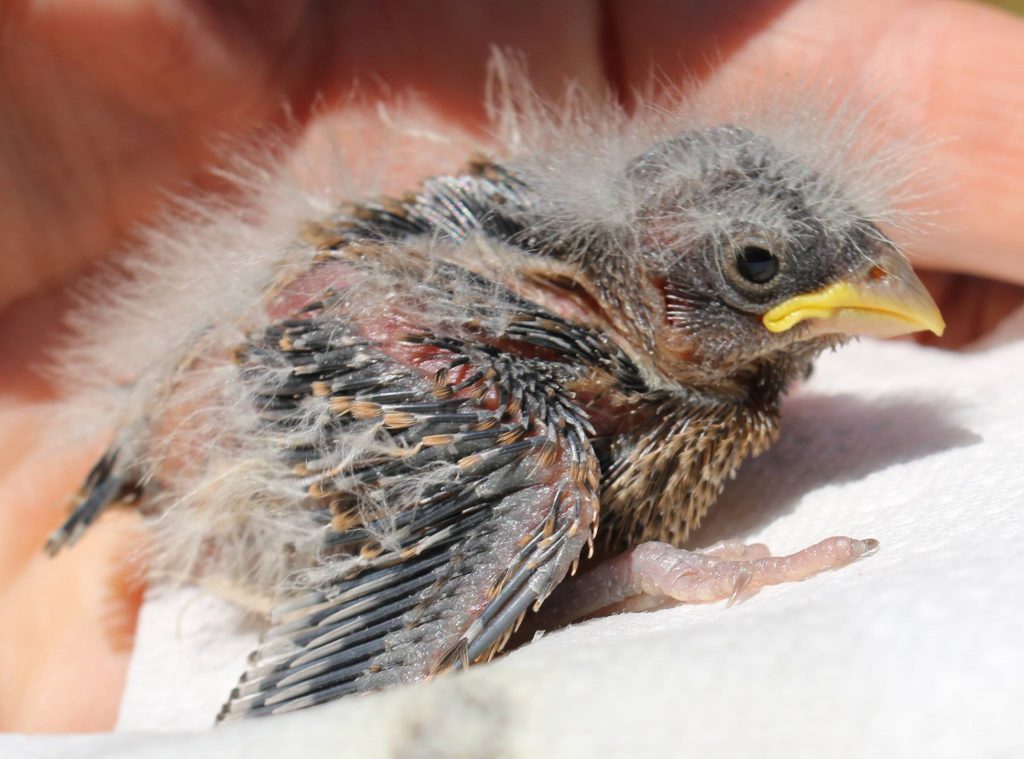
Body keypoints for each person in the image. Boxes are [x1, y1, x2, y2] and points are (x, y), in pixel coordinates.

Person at [1, 0, 1022, 732]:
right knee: (528, 494)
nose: (889, 292)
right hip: (237, 457)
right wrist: (637, 572)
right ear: (659, 279)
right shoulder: (518, 411)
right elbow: (356, 674)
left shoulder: (649, 330)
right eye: (753, 269)